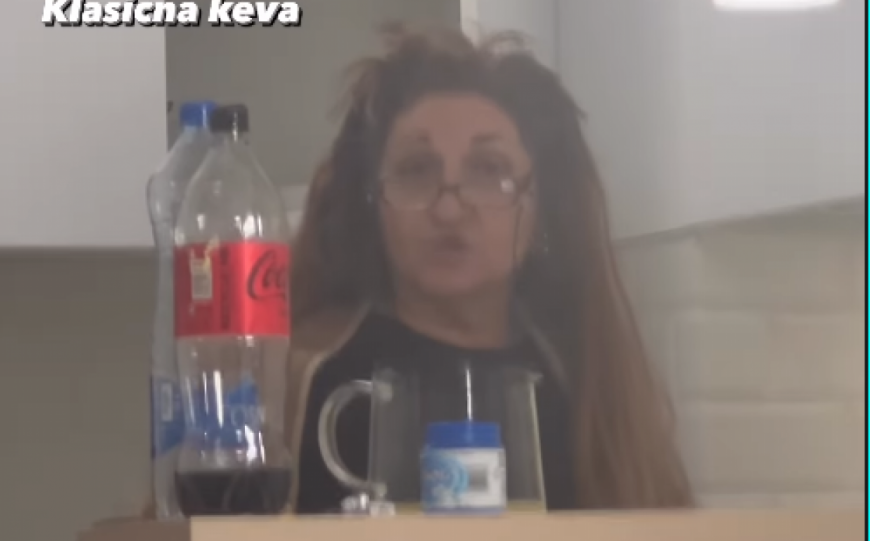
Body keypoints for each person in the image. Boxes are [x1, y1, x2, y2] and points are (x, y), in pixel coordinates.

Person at [287, 26, 691, 513]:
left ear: (544, 208)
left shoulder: (585, 380)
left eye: (488, 170)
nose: (449, 210)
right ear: (371, 204)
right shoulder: (306, 374)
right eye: (416, 170)